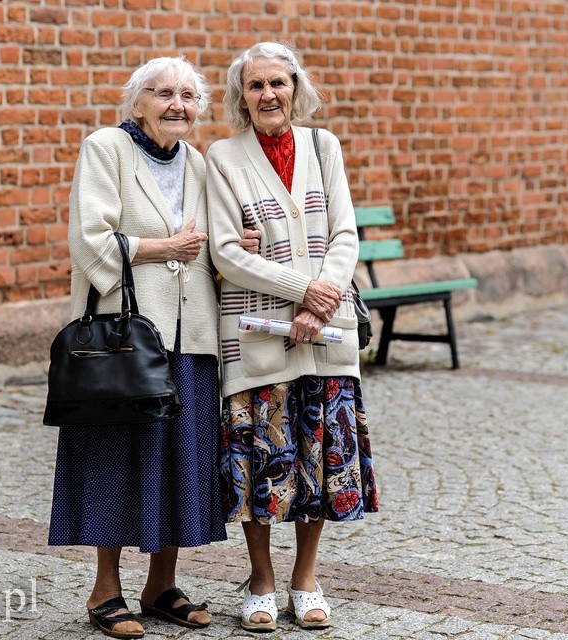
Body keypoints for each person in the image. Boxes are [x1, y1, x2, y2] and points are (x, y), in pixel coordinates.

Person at [48, 55, 259, 639]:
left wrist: (233, 245)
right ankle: (106, 591)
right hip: (126, 336)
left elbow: (204, 245)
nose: (178, 106)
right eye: (164, 94)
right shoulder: (105, 149)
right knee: (114, 453)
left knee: (180, 459)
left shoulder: (197, 162)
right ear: (136, 103)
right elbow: (88, 241)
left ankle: (162, 584)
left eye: (189, 96)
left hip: (191, 337)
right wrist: (163, 247)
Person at [206, 42, 380, 632]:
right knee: (258, 461)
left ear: (295, 87)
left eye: (277, 83)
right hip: (256, 335)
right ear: (241, 96)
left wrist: (323, 296)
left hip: (326, 331)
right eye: (255, 86)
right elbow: (227, 253)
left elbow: (344, 232)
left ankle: (305, 579)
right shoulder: (222, 156)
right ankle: (260, 581)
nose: (268, 95)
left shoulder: (322, 145)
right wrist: (304, 290)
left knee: (319, 459)